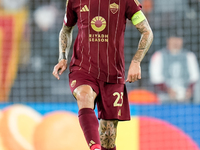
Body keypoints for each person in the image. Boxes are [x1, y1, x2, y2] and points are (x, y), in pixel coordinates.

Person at [52, 0, 153, 150]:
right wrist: (62, 57)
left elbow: (147, 31)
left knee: (108, 137)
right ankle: (95, 148)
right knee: (84, 96)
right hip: (83, 67)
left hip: (113, 74)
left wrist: (136, 61)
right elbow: (66, 29)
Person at [149, 36, 199, 103]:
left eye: (178, 39)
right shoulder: (158, 55)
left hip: (186, 97)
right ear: (168, 40)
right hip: (163, 98)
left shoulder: (189, 56)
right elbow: (155, 78)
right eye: (173, 39)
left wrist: (189, 90)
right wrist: (168, 90)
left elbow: (195, 77)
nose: (176, 42)